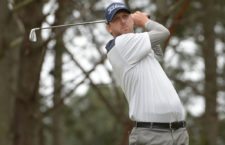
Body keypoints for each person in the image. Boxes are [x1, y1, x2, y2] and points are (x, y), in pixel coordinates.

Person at [104, 2, 189, 145]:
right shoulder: (122, 43)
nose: (123, 21)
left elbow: (158, 52)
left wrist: (141, 24)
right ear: (109, 28)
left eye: (125, 16)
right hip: (152, 135)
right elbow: (163, 33)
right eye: (116, 19)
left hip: (178, 132)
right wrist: (144, 21)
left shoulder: (136, 45)